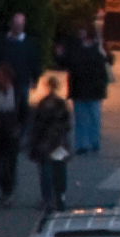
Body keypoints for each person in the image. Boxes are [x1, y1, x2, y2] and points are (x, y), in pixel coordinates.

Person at [59, 21, 113, 161]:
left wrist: (105, 54)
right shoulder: (75, 47)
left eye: (83, 30)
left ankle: (94, 143)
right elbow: (66, 63)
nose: (80, 33)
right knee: (81, 119)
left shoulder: (98, 47)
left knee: (95, 118)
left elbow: (109, 61)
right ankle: (82, 145)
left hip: (94, 89)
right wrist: (60, 55)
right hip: (79, 89)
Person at [29, 75, 75, 214]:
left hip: (44, 143)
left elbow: (36, 125)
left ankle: (47, 198)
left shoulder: (42, 103)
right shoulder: (62, 104)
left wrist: (34, 143)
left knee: (45, 171)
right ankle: (60, 197)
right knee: (60, 171)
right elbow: (67, 125)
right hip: (59, 142)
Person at [0, 59, 26, 201]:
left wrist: (21, 129)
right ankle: (5, 189)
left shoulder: (17, 93)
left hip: (12, 131)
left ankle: (9, 190)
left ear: (7, 78)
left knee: (11, 162)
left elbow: (25, 113)